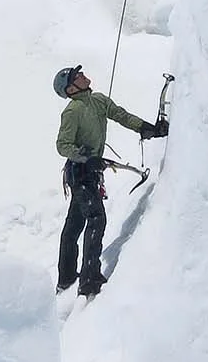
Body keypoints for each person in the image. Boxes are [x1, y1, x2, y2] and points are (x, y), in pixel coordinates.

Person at [52, 65, 167, 296]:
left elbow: (121, 116)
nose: (84, 76)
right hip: (80, 172)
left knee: (74, 223)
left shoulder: (99, 100)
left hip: (88, 171)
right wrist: (86, 158)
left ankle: (66, 278)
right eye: (78, 76)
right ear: (71, 88)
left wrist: (148, 129)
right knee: (95, 217)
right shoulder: (72, 111)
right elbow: (62, 146)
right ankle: (89, 279)